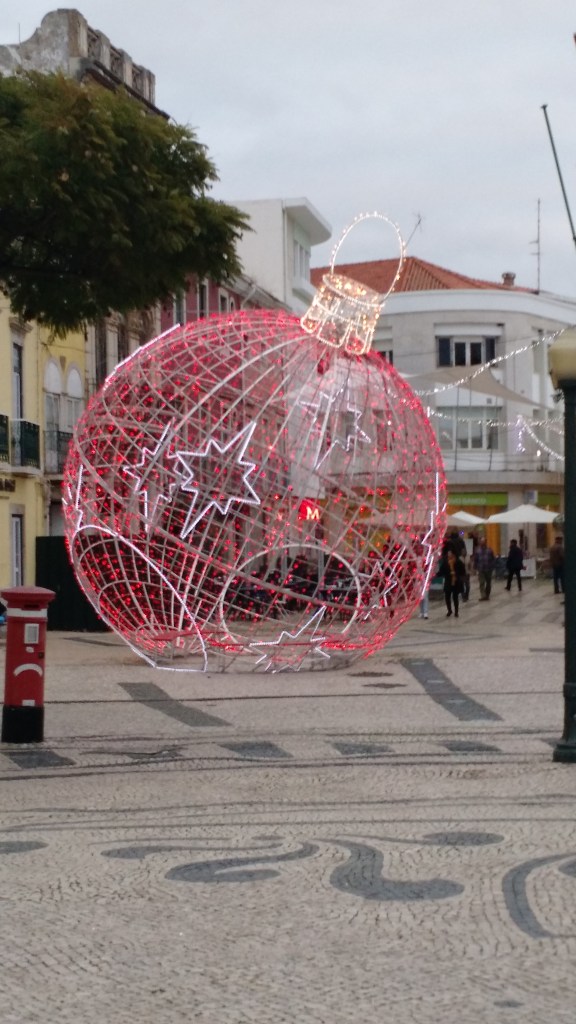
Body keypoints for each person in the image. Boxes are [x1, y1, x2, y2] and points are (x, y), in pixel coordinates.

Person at [439, 542, 466, 618]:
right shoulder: (445, 563)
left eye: (450, 553)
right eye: (448, 553)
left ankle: (456, 611)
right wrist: (436, 575)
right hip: (448, 581)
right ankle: (449, 610)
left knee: (455, 597)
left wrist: (460, 576)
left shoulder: (458, 562)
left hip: (456, 581)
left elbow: (462, 571)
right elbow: (442, 571)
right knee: (447, 596)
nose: (449, 554)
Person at [473, 537, 495, 601]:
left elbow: (492, 559)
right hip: (481, 569)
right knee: (481, 583)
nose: (482, 543)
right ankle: (483, 595)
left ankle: (487, 594)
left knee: (488, 583)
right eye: (481, 542)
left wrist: (492, 566)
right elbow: (476, 559)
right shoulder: (477, 550)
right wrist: (475, 567)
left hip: (488, 569)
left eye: (483, 542)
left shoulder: (489, 550)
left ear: (485, 542)